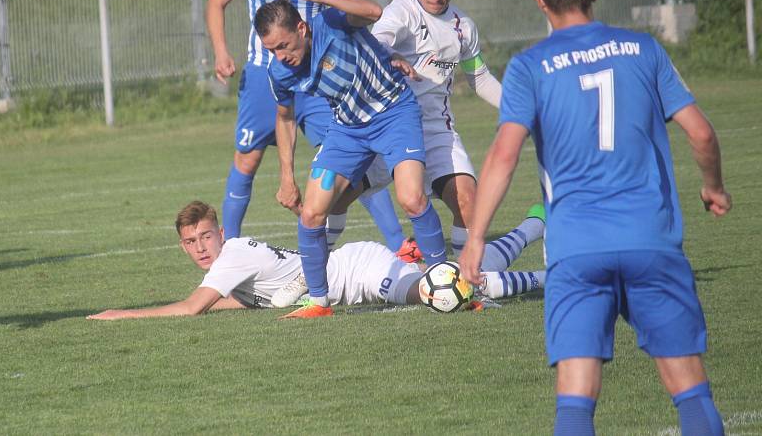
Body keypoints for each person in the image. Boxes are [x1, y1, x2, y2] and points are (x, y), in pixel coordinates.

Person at [458, 0, 731, 436]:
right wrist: (713, 187)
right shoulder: (642, 49)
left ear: (539, 1)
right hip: (651, 239)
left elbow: (503, 154)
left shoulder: (529, 66)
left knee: (576, 403)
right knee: (690, 392)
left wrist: (476, 238)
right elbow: (702, 133)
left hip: (577, 249)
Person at [205, 0, 403, 248]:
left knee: (352, 155)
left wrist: (387, 56)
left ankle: (400, 244)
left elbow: (348, 12)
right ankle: (229, 248)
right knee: (247, 160)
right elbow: (216, 2)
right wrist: (221, 51)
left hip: (319, 78)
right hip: (265, 76)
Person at [255, 0, 451, 320]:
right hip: (348, 129)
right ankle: (318, 301)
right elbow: (285, 119)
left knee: (412, 198)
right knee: (312, 212)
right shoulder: (279, 73)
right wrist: (286, 175)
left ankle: (445, 280)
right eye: (272, 50)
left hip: (393, 112)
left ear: (302, 28)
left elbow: (374, 11)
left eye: (284, 45)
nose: (281, 56)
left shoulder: (330, 22)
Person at [87, 201, 546, 320]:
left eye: (206, 236)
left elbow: (192, 308)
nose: (200, 247)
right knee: (453, 281)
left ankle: (551, 275)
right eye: (191, 242)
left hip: (358, 272)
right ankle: (534, 225)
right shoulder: (230, 265)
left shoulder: (230, 256)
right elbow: (235, 303)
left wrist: (121, 313)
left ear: (221, 234)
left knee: (446, 292)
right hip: (354, 265)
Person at [370, 0, 503, 258]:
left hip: (436, 131)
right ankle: (312, 284)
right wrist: (392, 55)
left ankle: (464, 285)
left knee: (469, 202)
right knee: (330, 200)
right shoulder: (403, 11)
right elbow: (377, 41)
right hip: (388, 127)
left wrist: (520, 108)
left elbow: (480, 77)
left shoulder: (463, 28)